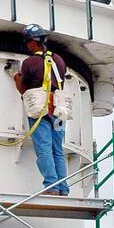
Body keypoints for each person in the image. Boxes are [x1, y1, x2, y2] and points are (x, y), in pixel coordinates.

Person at [14, 24, 70, 195]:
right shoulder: (59, 60)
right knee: (58, 149)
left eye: (27, 42)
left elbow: (23, 89)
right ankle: (63, 188)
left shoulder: (29, 63)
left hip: (40, 108)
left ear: (32, 42)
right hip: (59, 109)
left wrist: (16, 78)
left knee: (44, 148)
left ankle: (51, 186)